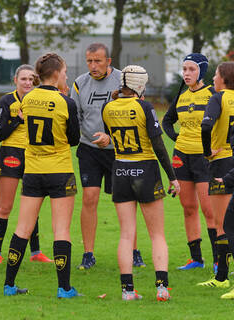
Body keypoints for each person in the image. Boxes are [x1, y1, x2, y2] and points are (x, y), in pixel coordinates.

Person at [94, 65, 180, 301]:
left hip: (120, 170)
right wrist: (172, 177)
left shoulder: (107, 106)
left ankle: (127, 291)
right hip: (146, 170)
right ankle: (162, 288)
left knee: (125, 235)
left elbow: (110, 135)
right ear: (140, 84)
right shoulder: (144, 106)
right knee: (157, 235)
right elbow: (159, 146)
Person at [3, 52, 80, 298]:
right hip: (59, 170)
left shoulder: (26, 98)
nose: (66, 76)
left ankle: (9, 285)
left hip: (33, 172)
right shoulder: (66, 102)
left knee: (22, 229)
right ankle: (64, 288)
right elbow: (74, 139)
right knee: (61, 230)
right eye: (65, 72)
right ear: (56, 74)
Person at [71, 42, 145, 269]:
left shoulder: (124, 81)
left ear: (109, 62)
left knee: (125, 201)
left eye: (98, 61)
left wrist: (110, 138)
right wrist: (94, 137)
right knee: (89, 198)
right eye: (89, 61)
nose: (93, 66)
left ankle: (133, 251)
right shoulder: (79, 83)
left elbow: (136, 115)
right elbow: (77, 118)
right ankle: (88, 253)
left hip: (119, 151)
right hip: (89, 150)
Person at [0, 64, 52, 264]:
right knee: (5, 206)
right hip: (11, 153)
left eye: (31, 79)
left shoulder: (39, 100)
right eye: (23, 79)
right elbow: (0, 133)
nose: (27, 82)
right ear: (15, 80)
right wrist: (18, 120)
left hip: (34, 155)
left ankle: (35, 253)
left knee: (31, 206)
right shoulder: (6, 101)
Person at [162, 53, 217, 271]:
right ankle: (196, 258)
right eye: (184, 69)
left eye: (191, 69)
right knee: (188, 207)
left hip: (205, 158)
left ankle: (219, 259)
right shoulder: (182, 96)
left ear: (201, 72)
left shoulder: (213, 94)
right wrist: (177, 137)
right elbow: (166, 121)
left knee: (209, 209)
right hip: (181, 156)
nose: (186, 73)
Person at [197, 61, 234, 291]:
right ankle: (223, 276)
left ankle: (222, 278)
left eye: (216, 75)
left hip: (222, 162)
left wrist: (206, 151)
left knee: (222, 225)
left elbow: (205, 126)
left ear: (224, 78)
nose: (213, 79)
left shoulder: (218, 98)